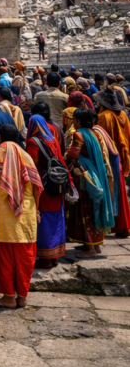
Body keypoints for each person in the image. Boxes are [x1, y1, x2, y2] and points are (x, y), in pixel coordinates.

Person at [0, 124, 43, 309]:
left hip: (3, 215)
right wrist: (37, 210)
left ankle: (9, 297)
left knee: (5, 257)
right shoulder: (26, 156)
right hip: (26, 214)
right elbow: (36, 188)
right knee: (25, 258)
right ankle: (22, 297)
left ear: (0, 138)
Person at [66, 108, 115, 258]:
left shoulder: (79, 134)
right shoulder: (95, 134)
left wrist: (65, 156)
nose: (73, 121)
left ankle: (90, 249)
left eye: (74, 119)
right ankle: (95, 245)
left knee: (86, 209)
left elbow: (73, 154)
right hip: (97, 174)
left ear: (79, 121)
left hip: (86, 177)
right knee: (95, 207)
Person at [26, 114, 69, 269]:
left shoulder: (33, 141)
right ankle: (55, 256)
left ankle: (45, 258)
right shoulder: (52, 139)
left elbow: (32, 164)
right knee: (56, 219)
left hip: (43, 185)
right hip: (56, 184)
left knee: (43, 219)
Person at [95, 87, 130, 238]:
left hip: (110, 157)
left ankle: (119, 225)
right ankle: (124, 225)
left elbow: (102, 140)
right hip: (123, 154)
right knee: (121, 191)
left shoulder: (104, 116)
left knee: (113, 191)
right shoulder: (123, 114)